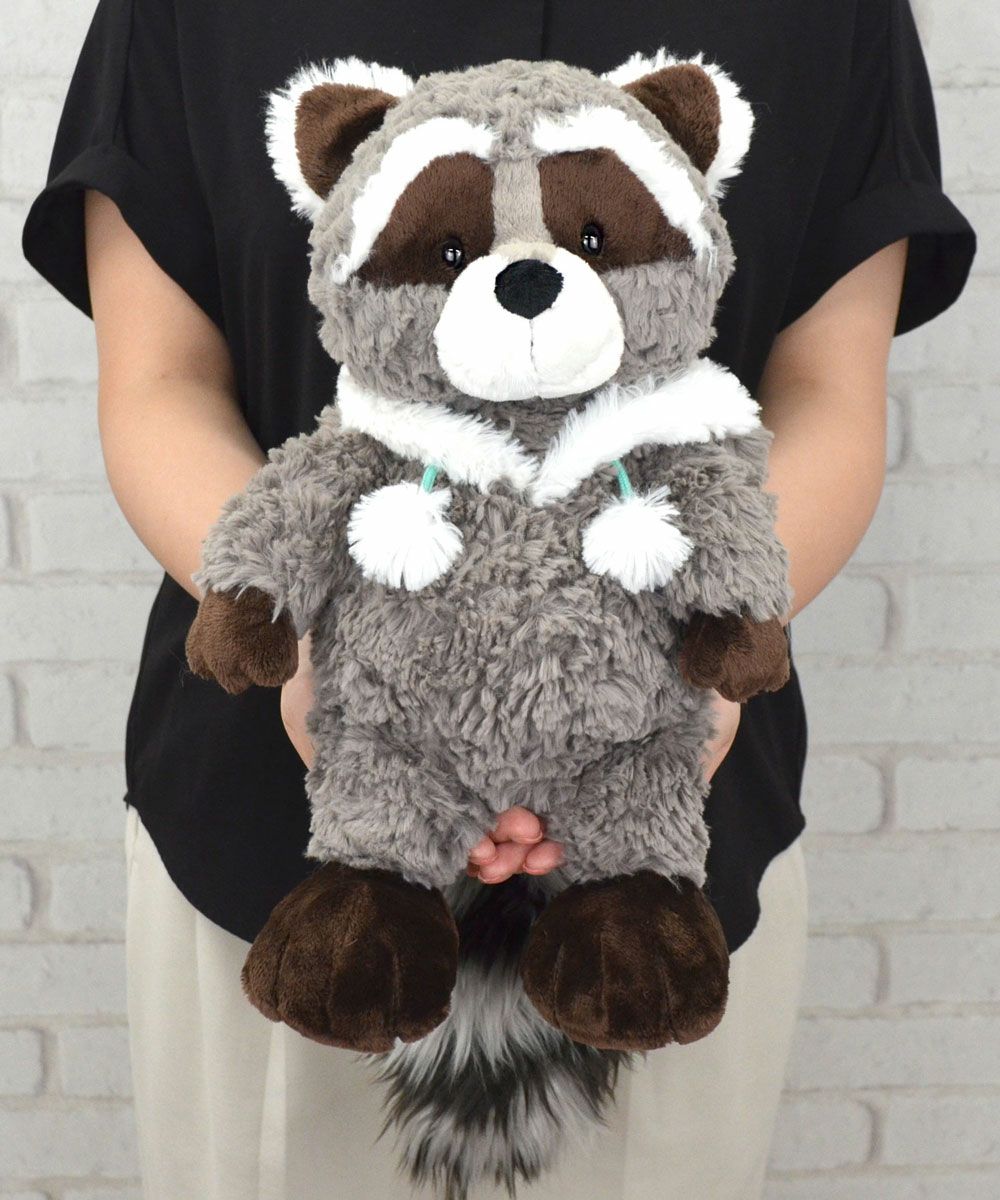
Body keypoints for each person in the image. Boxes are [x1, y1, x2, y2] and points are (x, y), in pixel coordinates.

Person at [22, 1, 974, 1198]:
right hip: (278, 841)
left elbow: (826, 389)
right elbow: (160, 378)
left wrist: (683, 662)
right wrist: (327, 658)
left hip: (668, 848)